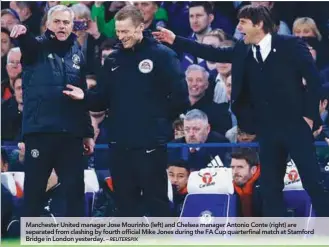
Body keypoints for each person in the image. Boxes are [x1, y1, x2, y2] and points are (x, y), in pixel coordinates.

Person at [153, 4, 329, 217]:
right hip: (267, 130)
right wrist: (175, 40)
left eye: (243, 23)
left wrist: (310, 118)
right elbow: (211, 51)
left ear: (259, 24)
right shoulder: (243, 49)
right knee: (270, 188)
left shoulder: (291, 45)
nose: (238, 28)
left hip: (296, 126)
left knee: (312, 182)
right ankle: (281, 233)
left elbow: (314, 82)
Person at [63, 5, 189, 217]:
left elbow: (180, 99)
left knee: (156, 201)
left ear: (140, 27)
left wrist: (155, 120)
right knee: (124, 204)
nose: (121, 36)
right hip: (120, 145)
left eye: (126, 31)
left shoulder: (163, 55)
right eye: (118, 31)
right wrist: (85, 96)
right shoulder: (113, 60)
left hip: (150, 144)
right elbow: (101, 100)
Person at [10, 5, 94, 217]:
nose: (62, 26)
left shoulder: (78, 52)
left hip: (71, 134)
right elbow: (27, 46)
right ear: (47, 24)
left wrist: (87, 133)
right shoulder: (36, 48)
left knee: (75, 192)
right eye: (57, 21)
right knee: (34, 193)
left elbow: (81, 94)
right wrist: (22, 34)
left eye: (66, 22)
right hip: (41, 134)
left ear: (72, 26)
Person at [230, 148, 262, 217]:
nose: (235, 172)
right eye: (232, 167)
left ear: (253, 170)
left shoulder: (267, 186)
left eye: (240, 167)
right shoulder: (228, 187)